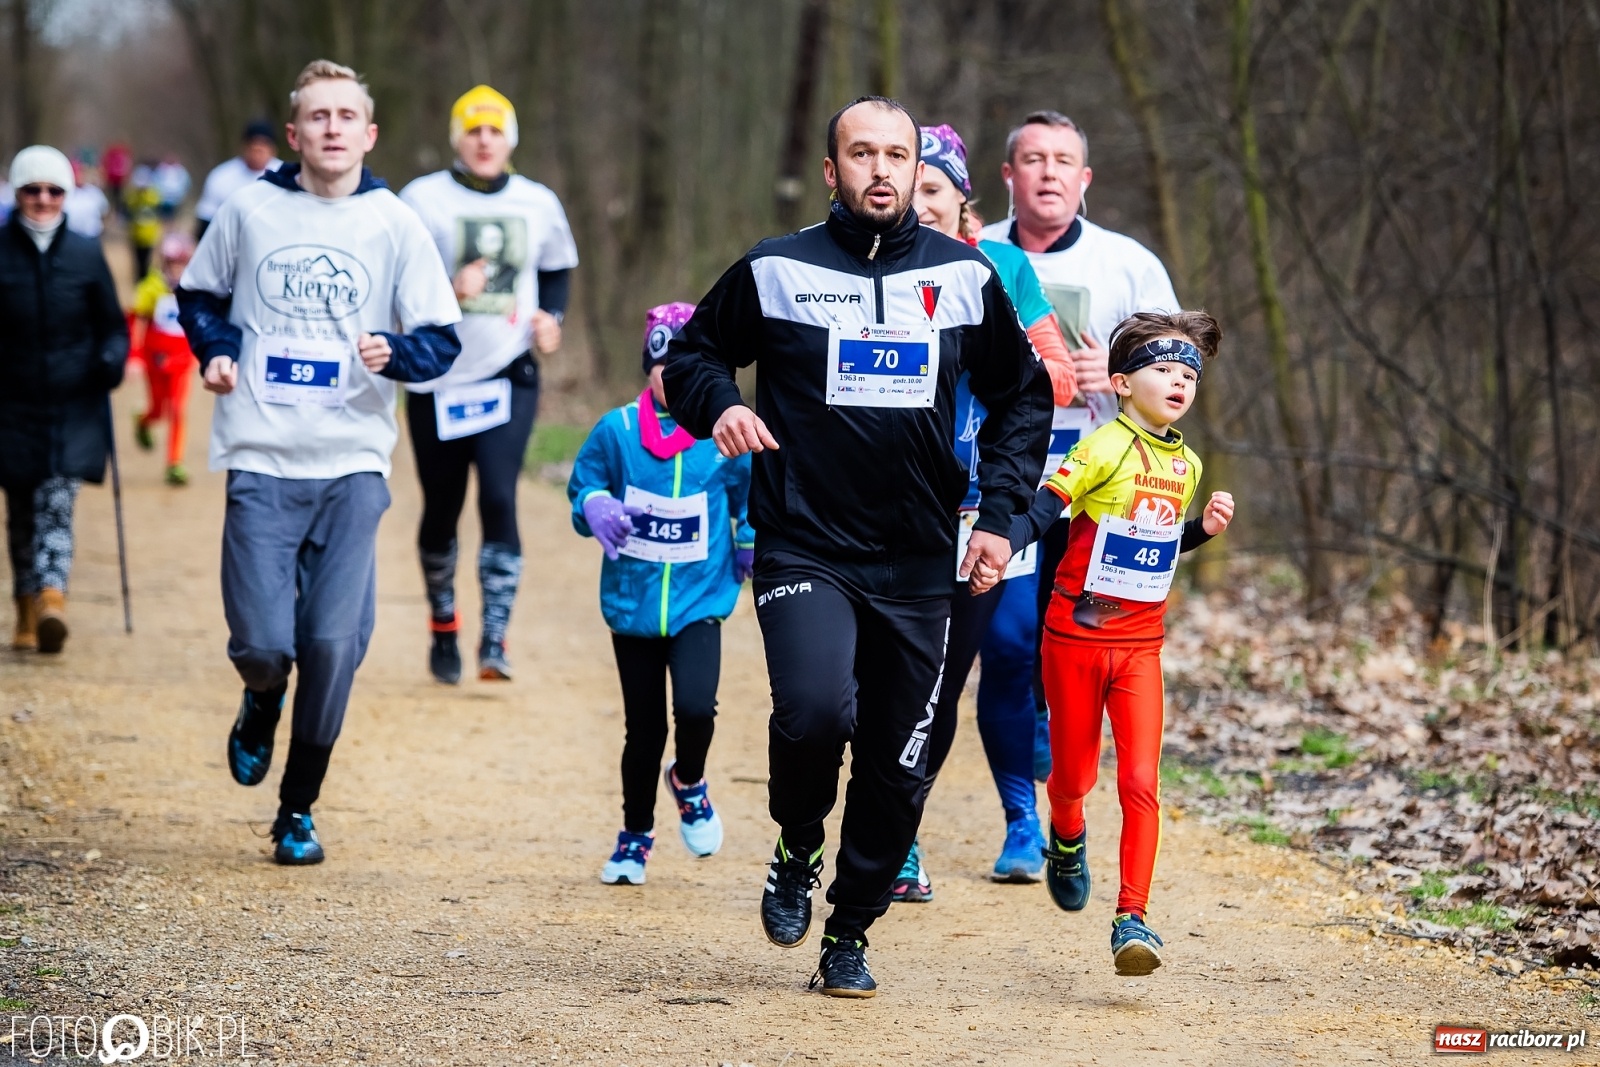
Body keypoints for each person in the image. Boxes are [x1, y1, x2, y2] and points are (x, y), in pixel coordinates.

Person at [664, 96, 1052, 998]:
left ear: (921, 171)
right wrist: (720, 403)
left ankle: (850, 929)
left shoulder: (965, 276)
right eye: (861, 153)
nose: (882, 170)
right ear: (832, 170)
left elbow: (1022, 399)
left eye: (898, 155)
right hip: (807, 543)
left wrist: (998, 514)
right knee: (813, 712)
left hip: (922, 558)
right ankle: (798, 841)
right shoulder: (777, 268)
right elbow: (694, 355)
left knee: (899, 757)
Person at [177, 59, 461, 866]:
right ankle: (261, 696)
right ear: (294, 132)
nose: (332, 128)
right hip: (262, 454)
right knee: (266, 643)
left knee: (334, 644)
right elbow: (198, 297)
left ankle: (297, 807)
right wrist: (219, 350)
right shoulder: (249, 208)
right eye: (317, 116)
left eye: (347, 116)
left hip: (352, 460)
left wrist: (395, 350)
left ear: (368, 135)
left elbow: (441, 338)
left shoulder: (395, 223)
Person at [889, 123, 1076, 902]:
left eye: (934, 189)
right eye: (910, 189)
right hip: (893, 502)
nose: (919, 202)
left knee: (950, 675)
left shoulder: (1002, 265)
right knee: (891, 677)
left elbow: (1058, 379)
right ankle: (890, 831)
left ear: (964, 199)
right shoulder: (874, 264)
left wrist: (995, 357)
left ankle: (905, 831)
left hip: (979, 508)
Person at [978, 110, 1182, 782]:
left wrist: (1120, 377)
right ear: (1008, 175)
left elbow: (1177, 367)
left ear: (1085, 178)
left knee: (1074, 639)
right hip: (1001, 479)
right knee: (1009, 641)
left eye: (1063, 161)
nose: (1048, 173)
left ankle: (1052, 724)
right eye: (1033, 159)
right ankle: (1018, 797)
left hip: (1098, 489)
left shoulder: (1127, 263)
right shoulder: (971, 255)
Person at [1037, 310, 1233, 976]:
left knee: (1142, 782)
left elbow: (1160, 544)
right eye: (1163, 370)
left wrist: (1200, 529)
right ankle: (1065, 837)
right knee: (1073, 778)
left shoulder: (1190, 464)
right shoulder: (1101, 446)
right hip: (1076, 636)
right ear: (1121, 382)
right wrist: (1003, 535)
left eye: (1189, 374)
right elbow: (1051, 501)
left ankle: (1133, 917)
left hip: (1141, 645)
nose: (1179, 382)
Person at [568, 302, 754, 885]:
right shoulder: (617, 430)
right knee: (643, 730)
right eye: (661, 365)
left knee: (697, 709)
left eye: (684, 367)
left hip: (702, 600)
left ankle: (690, 780)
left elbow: (751, 497)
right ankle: (634, 837)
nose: (671, 378)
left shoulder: (725, 430)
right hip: (634, 605)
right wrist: (593, 505)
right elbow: (585, 485)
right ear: (646, 369)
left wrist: (749, 538)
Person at [398, 84, 579, 682]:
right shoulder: (422, 200)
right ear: (457, 138)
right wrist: (447, 292)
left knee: (500, 495)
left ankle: (494, 638)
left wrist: (551, 322)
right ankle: (444, 622)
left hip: (510, 371)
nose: (483, 141)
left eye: (494, 130)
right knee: (442, 507)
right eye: (473, 130)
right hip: (438, 375)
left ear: (510, 140)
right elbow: (396, 285)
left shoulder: (538, 202)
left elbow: (556, 269)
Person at [0, 145, 129, 654]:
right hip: (11, 405)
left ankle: (54, 596)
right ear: (17, 193)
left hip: (73, 401)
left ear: (66, 196)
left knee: (57, 502)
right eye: (33, 190)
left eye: (54, 191)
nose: (43, 199)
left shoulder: (84, 252)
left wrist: (110, 360)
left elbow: (113, 328)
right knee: (21, 512)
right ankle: (25, 605)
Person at [131, 231, 199, 485]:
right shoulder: (151, 287)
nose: (178, 268)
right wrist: (135, 356)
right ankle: (143, 420)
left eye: (183, 263)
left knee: (178, 409)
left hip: (182, 360)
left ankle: (174, 463)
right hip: (155, 358)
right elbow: (136, 319)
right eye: (174, 262)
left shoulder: (195, 289)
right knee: (159, 410)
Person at [195, 121, 281, 240]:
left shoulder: (285, 177)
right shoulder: (221, 176)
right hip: (230, 243)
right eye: (254, 146)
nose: (258, 152)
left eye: (263, 146)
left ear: (273, 149)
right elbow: (206, 219)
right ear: (244, 147)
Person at [64, 162, 111, 240]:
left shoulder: (94, 192)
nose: (78, 176)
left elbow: (105, 212)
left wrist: (102, 228)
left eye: (80, 173)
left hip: (92, 236)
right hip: (70, 238)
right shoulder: (66, 194)